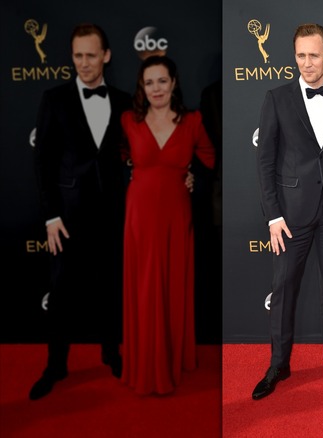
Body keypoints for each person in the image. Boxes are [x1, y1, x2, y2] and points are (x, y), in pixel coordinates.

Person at [252, 23, 323, 401]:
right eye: (300, 55)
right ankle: (279, 363)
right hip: (290, 215)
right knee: (284, 289)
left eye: (314, 55)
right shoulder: (276, 98)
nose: (307, 63)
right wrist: (273, 215)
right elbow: (265, 162)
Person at [30, 23, 130, 400]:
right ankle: (55, 366)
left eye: (91, 55)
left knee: (110, 289)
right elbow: (42, 163)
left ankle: (111, 353)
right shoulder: (53, 99)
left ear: (105, 56)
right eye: (77, 56)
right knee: (61, 294)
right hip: (66, 219)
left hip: (113, 214)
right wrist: (50, 216)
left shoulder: (122, 101)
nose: (84, 63)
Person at [120, 55, 215, 395]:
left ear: (173, 82)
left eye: (162, 81)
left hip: (176, 215)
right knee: (145, 285)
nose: (156, 88)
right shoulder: (129, 121)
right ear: (141, 88)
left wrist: (194, 179)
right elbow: (114, 162)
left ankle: (173, 354)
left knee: (172, 282)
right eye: (149, 83)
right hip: (140, 217)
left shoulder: (192, 120)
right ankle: (145, 357)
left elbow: (209, 159)